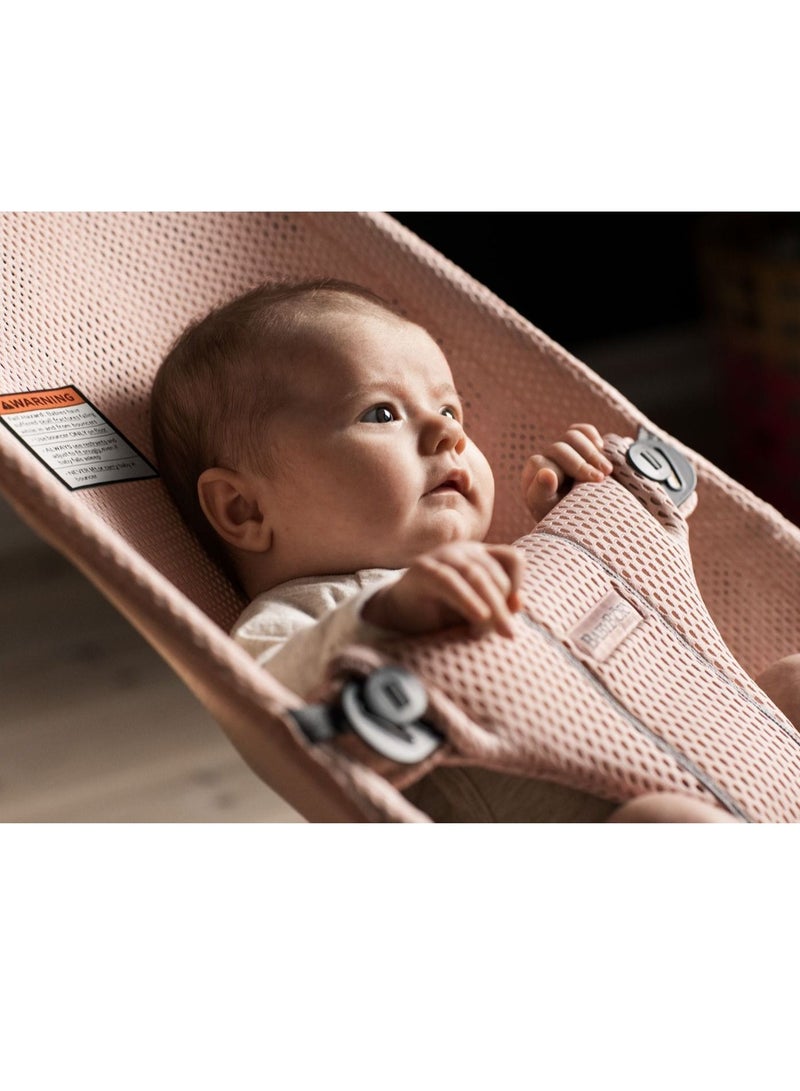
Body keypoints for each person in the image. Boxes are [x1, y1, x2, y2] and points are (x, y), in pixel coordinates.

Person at [150, 277, 796, 822]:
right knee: (664, 825)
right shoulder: (295, 620)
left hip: (714, 753)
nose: (447, 434)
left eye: (451, 410)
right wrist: (383, 616)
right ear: (244, 509)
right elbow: (274, 709)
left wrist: (582, 517)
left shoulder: (496, 560)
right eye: (381, 413)